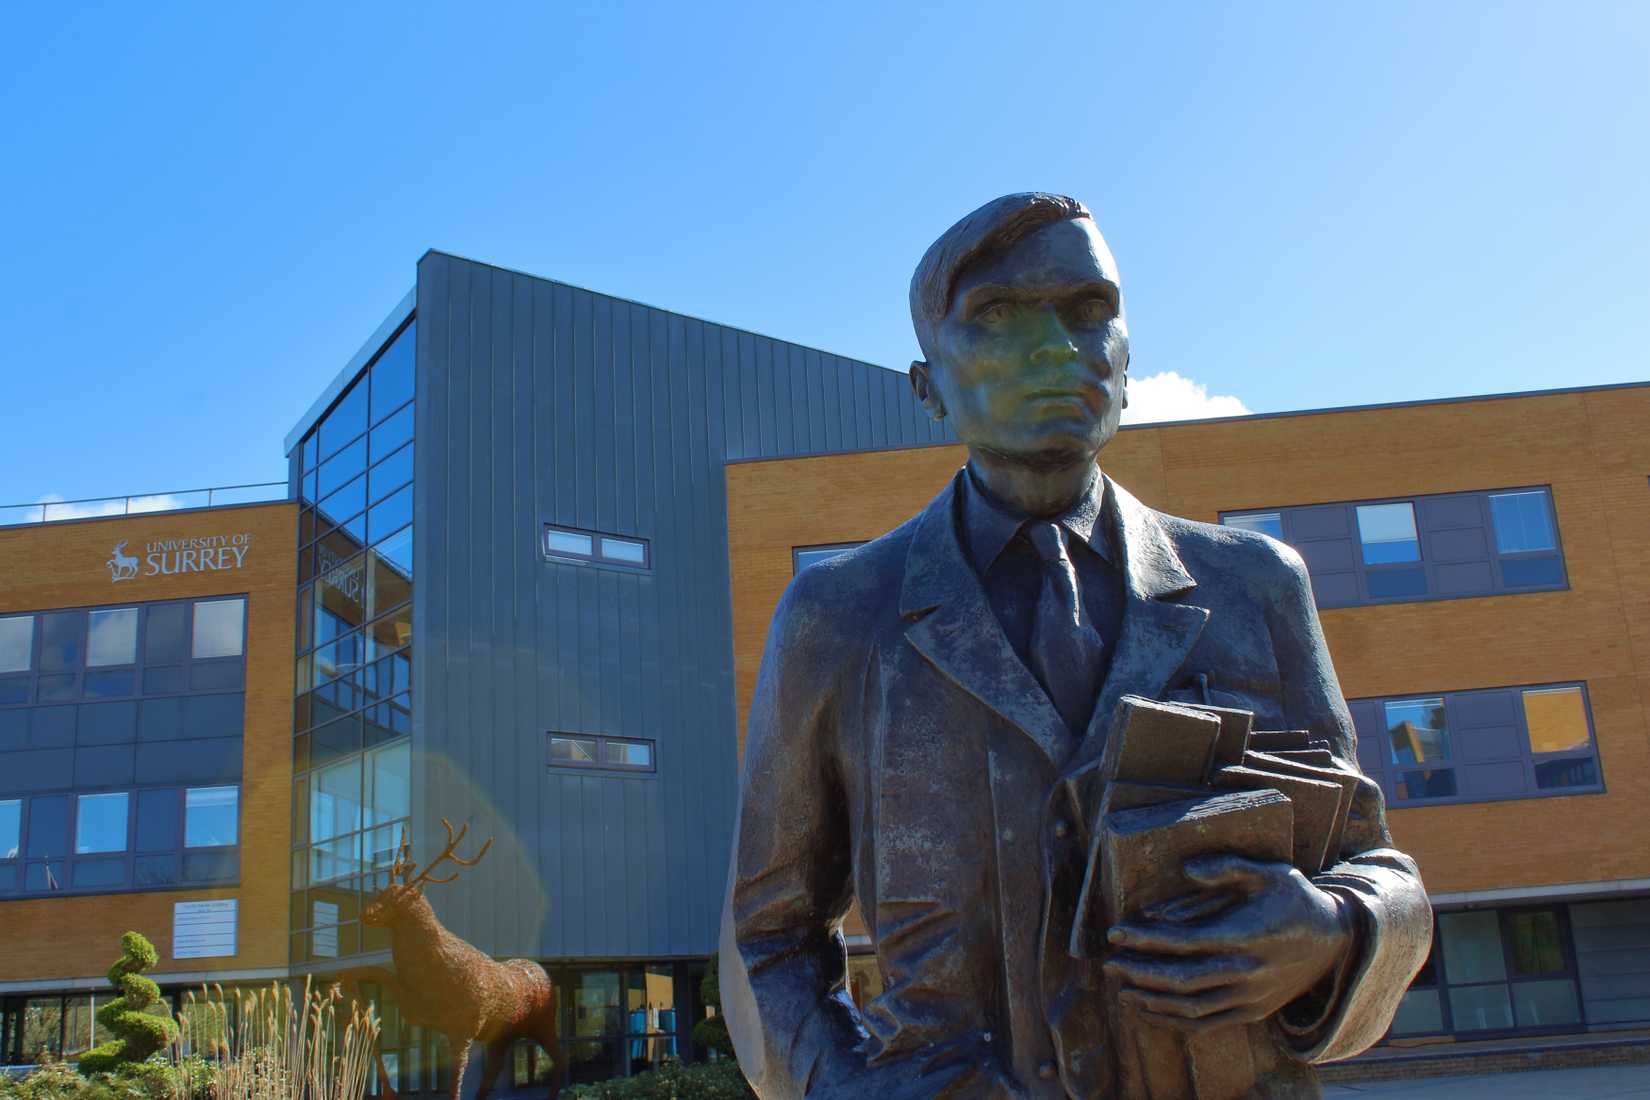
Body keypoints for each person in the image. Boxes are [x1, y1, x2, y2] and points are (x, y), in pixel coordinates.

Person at [720, 193, 1432, 1099]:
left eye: (1088, 310)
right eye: (996, 317)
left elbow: (1375, 863)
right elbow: (768, 936)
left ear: (1128, 362)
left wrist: (1336, 928)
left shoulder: (1256, 586)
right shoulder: (840, 616)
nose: (1056, 350)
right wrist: (849, 1090)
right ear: (927, 384)